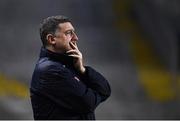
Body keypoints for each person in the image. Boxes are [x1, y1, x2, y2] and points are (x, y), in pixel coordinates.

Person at [30, 15, 111, 120]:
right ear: (51, 39)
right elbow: (88, 103)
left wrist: (83, 70)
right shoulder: (51, 71)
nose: (75, 38)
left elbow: (105, 90)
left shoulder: (67, 64)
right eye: (69, 33)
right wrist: (93, 92)